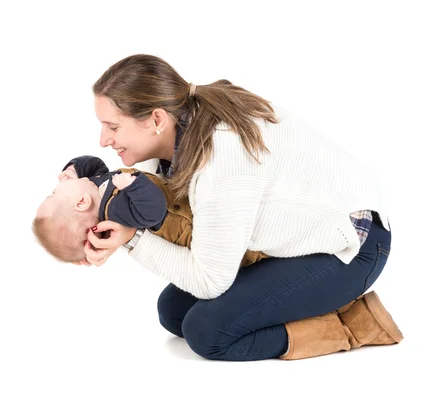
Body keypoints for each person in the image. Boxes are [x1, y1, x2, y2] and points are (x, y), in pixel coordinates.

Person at [79, 54, 403, 361]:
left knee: (209, 333)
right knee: (174, 312)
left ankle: (352, 324)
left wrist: (132, 240)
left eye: (113, 127)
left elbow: (210, 280)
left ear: (156, 119)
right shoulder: (170, 143)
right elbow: (165, 219)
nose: (103, 140)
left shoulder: (221, 158)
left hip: (354, 245)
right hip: (297, 240)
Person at [33, 155, 268, 267]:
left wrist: (74, 169)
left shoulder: (98, 187)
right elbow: (153, 212)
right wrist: (134, 185)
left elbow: (95, 165)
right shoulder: (117, 209)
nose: (57, 186)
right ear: (81, 202)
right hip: (212, 233)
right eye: (54, 193)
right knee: (253, 240)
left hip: (207, 206)